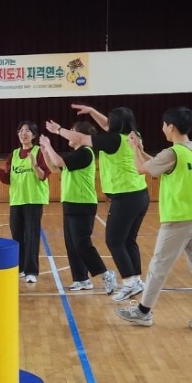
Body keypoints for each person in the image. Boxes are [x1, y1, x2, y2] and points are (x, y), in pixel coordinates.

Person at [115, 106, 192, 332]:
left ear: (171, 126)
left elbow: (141, 169)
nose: (163, 128)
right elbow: (159, 165)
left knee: (159, 266)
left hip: (179, 219)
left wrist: (134, 149)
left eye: (164, 125)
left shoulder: (172, 153)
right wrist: (141, 149)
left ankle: (143, 312)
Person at [49, 104, 149, 302]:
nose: (107, 123)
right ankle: (136, 280)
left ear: (115, 123)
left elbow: (80, 139)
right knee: (128, 240)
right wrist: (93, 112)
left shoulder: (113, 140)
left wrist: (58, 130)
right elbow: (107, 126)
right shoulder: (133, 135)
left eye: (110, 120)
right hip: (140, 195)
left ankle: (129, 283)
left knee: (114, 241)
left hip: (126, 196)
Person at [38, 120, 117, 293]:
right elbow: (55, 168)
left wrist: (48, 145)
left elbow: (58, 162)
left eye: (73, 131)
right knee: (72, 244)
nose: (70, 134)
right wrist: (45, 152)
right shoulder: (76, 154)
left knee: (82, 244)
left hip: (83, 203)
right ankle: (81, 279)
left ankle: (106, 274)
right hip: (71, 203)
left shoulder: (85, 153)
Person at [0, 121, 50, 284]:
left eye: (27, 130)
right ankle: (20, 268)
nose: (23, 133)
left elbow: (43, 175)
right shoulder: (13, 154)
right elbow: (8, 179)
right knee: (17, 236)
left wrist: (34, 164)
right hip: (16, 200)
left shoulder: (39, 152)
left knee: (31, 236)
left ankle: (31, 271)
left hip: (33, 200)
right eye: (20, 131)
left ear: (33, 135)